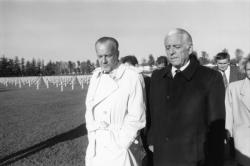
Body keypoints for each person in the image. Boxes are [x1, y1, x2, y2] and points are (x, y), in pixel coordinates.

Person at [149, 28, 225, 166]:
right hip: (163, 157)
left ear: (189, 49)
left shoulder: (210, 78)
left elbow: (217, 128)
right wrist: (151, 141)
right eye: (168, 48)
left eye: (176, 47)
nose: (171, 52)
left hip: (194, 158)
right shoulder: (157, 77)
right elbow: (152, 114)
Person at [85, 37, 146, 166]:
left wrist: (122, 143)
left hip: (120, 148)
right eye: (100, 56)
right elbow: (89, 110)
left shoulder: (131, 76)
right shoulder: (95, 77)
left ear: (117, 54)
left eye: (108, 55)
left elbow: (137, 116)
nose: (103, 60)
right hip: (96, 146)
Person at [121, 55, 153, 166]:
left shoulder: (147, 80)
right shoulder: (123, 82)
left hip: (146, 121)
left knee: (146, 149)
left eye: (129, 67)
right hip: (130, 124)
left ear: (136, 66)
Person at [225, 55, 250, 166]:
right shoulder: (233, 88)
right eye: (249, 69)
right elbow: (228, 112)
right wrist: (227, 132)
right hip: (243, 140)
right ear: (245, 70)